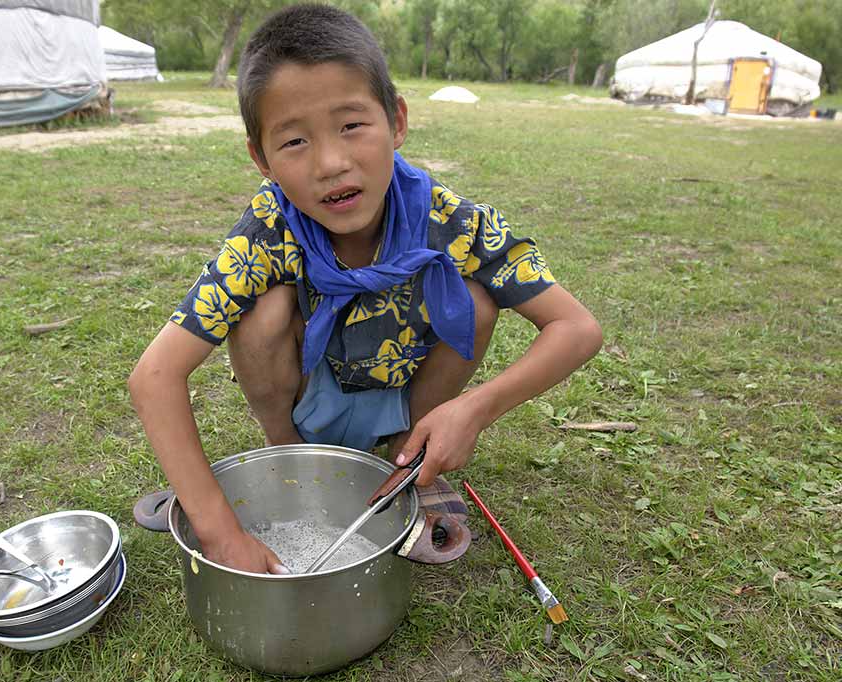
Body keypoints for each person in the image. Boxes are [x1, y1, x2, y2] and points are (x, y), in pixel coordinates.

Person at [129, 3, 602, 575]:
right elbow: (154, 377)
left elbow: (576, 328)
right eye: (294, 142)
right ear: (262, 159)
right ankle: (292, 458)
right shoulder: (266, 234)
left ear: (396, 121)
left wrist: (472, 410)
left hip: (409, 395)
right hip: (308, 398)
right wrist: (221, 532)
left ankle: (405, 462)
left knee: (474, 299)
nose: (331, 163)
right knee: (263, 311)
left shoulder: (451, 222)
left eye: (352, 125)